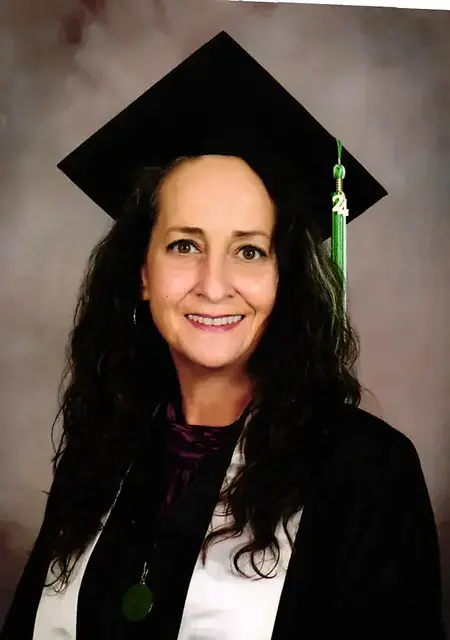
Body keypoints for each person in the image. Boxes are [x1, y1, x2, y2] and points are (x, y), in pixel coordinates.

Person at [1, 31, 445, 640]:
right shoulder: (100, 449)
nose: (214, 285)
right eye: (185, 245)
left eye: (249, 250)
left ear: (284, 279)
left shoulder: (366, 472)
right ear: (142, 274)